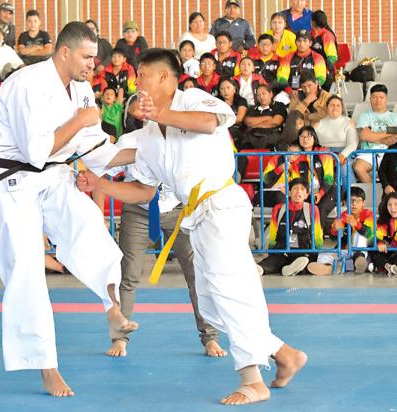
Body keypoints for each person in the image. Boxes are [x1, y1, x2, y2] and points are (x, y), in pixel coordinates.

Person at [76, 47, 307, 405]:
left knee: (230, 289)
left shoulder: (192, 100)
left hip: (221, 204)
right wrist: (101, 185)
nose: (137, 83)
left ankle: (252, 380)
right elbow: (144, 190)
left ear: (164, 78)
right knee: (214, 302)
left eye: (142, 75)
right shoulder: (149, 136)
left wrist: (165, 112)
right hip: (197, 216)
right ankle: (284, 353)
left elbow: (215, 120)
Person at [0, 22, 140, 397]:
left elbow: (98, 151)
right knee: (27, 270)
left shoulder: (79, 90)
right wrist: (79, 120)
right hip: (10, 182)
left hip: (51, 176)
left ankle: (112, 308)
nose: (93, 65)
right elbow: (36, 151)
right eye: (87, 57)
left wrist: (151, 151)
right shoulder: (26, 84)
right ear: (64, 52)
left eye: (94, 58)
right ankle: (46, 365)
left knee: (89, 226)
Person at [102, 134, 226, 358]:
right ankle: (120, 339)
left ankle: (210, 337)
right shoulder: (130, 141)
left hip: (176, 210)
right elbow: (104, 168)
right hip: (137, 210)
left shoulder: (181, 139)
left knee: (196, 274)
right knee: (128, 275)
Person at [258, 177, 323, 276]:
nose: (298, 192)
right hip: (282, 248)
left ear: (306, 195)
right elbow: (273, 232)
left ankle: (289, 268)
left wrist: (318, 252)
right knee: (272, 261)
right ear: (289, 192)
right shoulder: (278, 208)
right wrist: (271, 250)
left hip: (302, 249)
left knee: (303, 260)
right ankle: (260, 269)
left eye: (302, 189)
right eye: (295, 188)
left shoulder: (312, 209)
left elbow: (317, 233)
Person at [307, 186, 374, 275]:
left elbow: (370, 234)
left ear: (363, 203)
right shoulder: (343, 215)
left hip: (362, 252)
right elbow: (334, 238)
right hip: (345, 250)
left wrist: (356, 224)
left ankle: (354, 262)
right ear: (346, 202)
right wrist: (335, 230)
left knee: (360, 236)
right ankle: (329, 268)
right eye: (351, 200)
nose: (354, 204)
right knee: (323, 254)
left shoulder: (368, 214)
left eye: (358, 200)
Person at [290, 126, 337, 229]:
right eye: (302, 136)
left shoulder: (324, 152)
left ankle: (316, 240)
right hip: (307, 192)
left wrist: (320, 194)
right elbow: (296, 180)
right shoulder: (297, 156)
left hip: (328, 191)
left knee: (319, 209)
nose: (305, 139)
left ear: (314, 138)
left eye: (309, 136)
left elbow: (329, 179)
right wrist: (305, 194)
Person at [353, 84, 397, 183]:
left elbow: (396, 137)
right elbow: (364, 136)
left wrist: (374, 136)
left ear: (386, 99)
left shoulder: (395, 117)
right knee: (358, 167)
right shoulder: (364, 116)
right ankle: (374, 192)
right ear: (370, 99)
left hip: (389, 152)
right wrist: (388, 132)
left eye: (381, 97)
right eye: (374, 97)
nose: (378, 100)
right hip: (369, 152)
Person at [313, 95, 358, 186]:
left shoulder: (349, 122)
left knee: (344, 166)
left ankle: (351, 195)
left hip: (344, 152)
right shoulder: (318, 124)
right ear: (327, 107)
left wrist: (342, 155)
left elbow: (353, 143)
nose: (335, 108)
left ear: (342, 108)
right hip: (324, 153)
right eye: (332, 105)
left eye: (338, 105)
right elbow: (314, 144)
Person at [241, 84, 287, 150]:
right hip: (252, 137)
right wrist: (268, 118)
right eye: (258, 95)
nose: (261, 97)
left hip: (271, 136)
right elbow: (248, 121)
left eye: (263, 94)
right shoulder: (253, 108)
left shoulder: (279, 105)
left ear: (271, 94)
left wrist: (255, 125)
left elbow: (276, 121)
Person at [310, 10, 338, 87]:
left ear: (313, 22)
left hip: (325, 73)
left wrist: (324, 70)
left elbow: (332, 58)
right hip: (312, 68)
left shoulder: (327, 35)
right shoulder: (311, 34)